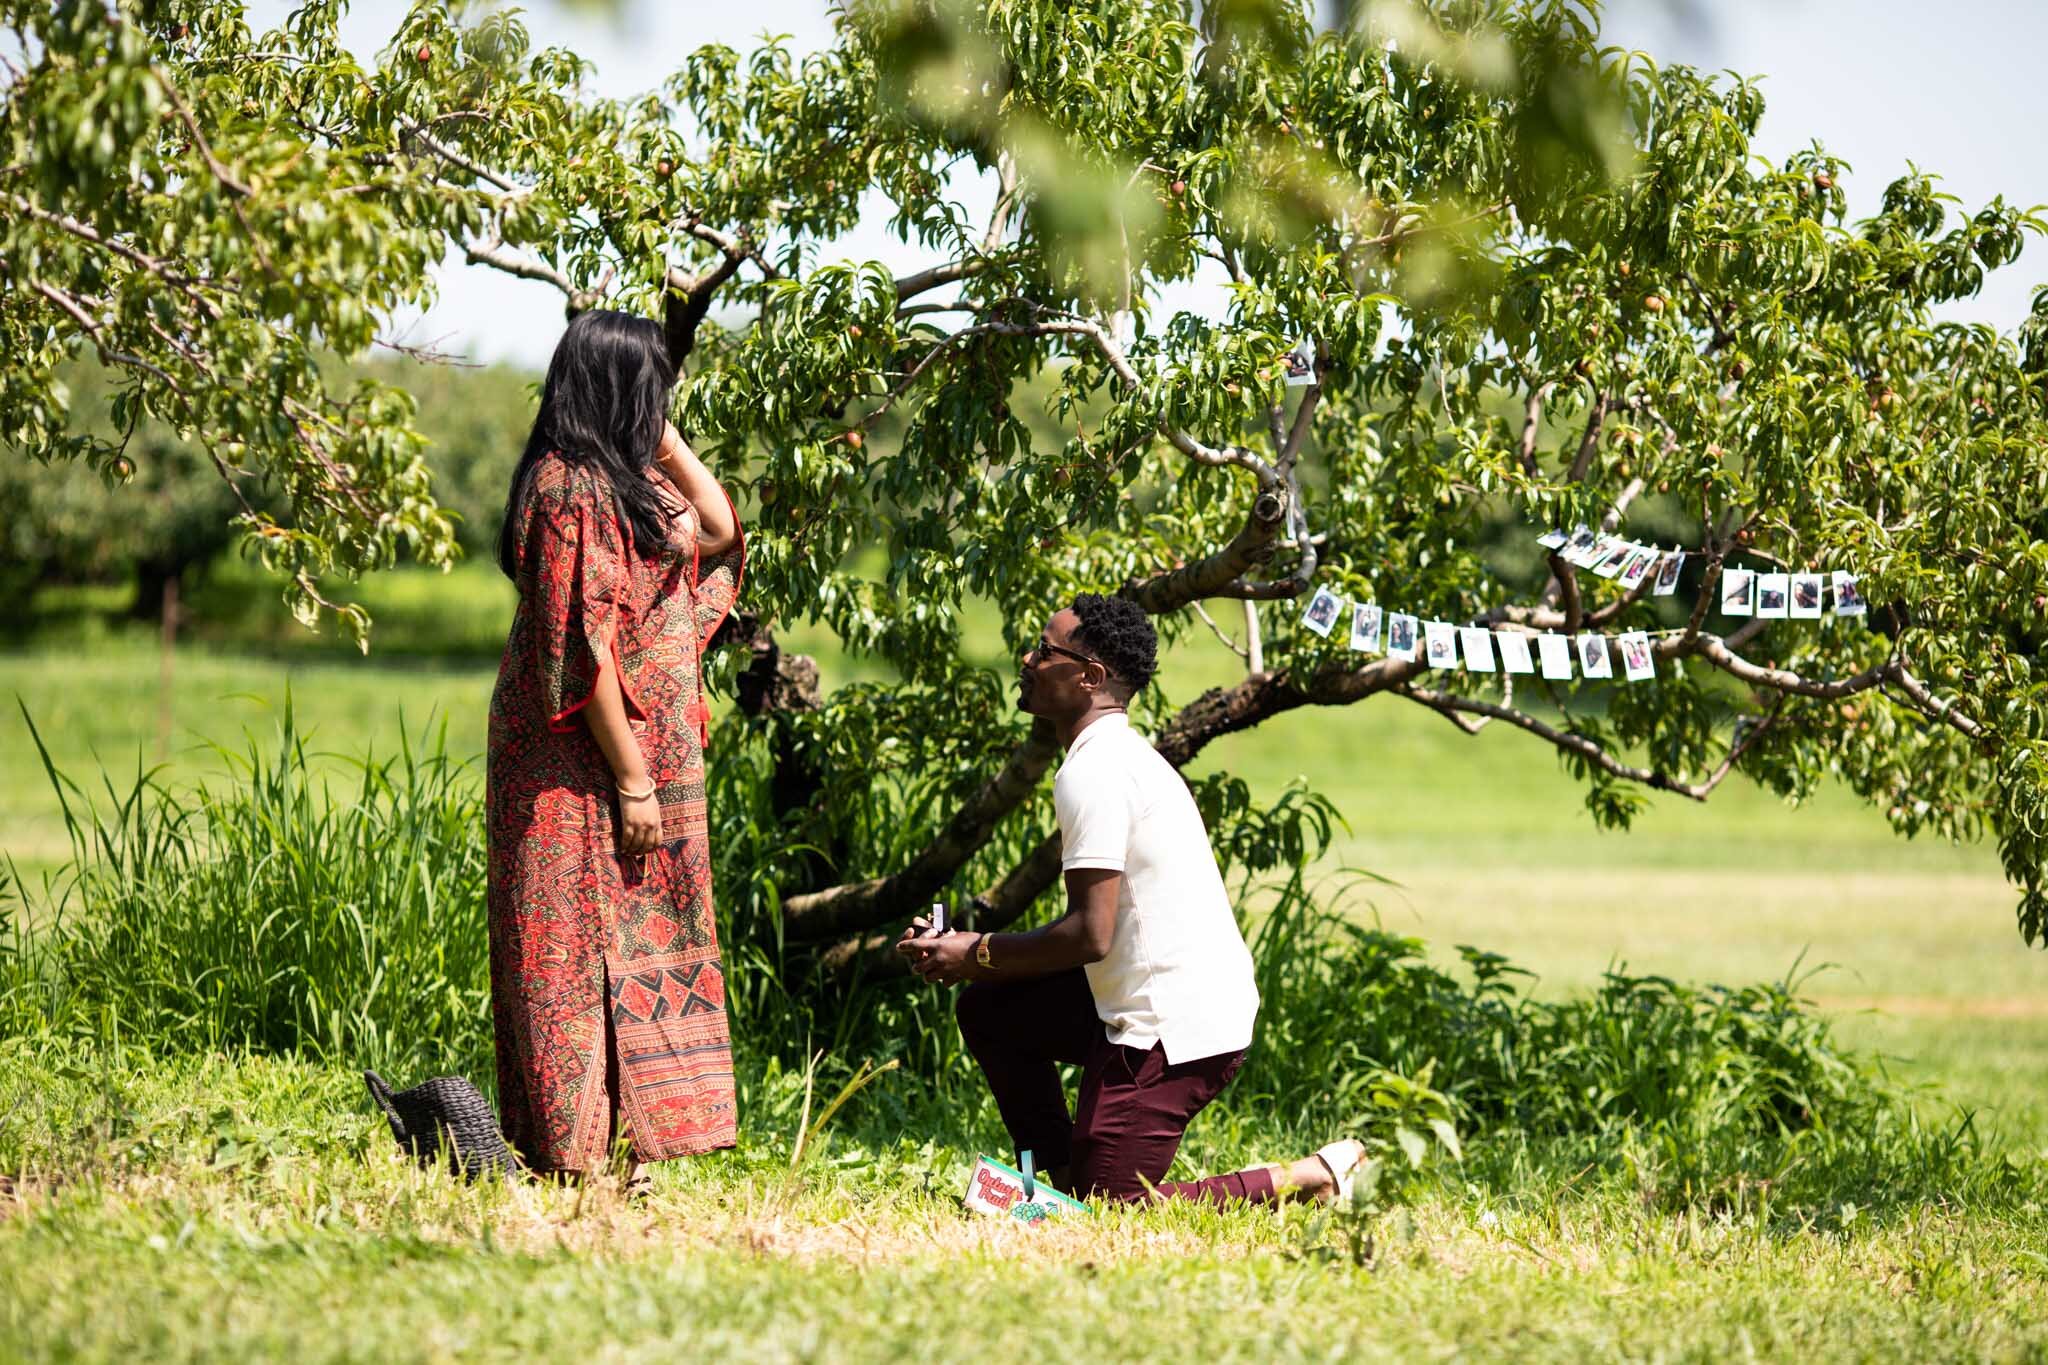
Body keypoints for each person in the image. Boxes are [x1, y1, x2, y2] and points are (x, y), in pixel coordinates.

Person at [898, 594, 1367, 1207]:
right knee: (992, 1012)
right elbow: (1102, 927)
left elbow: (1089, 936)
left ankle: (1310, 1176)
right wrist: (968, 953)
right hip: (1140, 996)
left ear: (1089, 677)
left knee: (1113, 1208)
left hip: (1178, 1023)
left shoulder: (1095, 772)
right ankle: (1057, 1180)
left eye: (1045, 650)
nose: (1028, 658)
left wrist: (975, 952)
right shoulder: (1110, 757)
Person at [487, 310, 744, 1178]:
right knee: (565, 941)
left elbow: (713, 529)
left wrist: (661, 435)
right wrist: (633, 781)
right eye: (651, 388)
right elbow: (580, 646)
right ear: (616, 388)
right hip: (576, 765)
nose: (661, 404)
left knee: (642, 930)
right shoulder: (566, 489)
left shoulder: (624, 478)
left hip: (643, 758)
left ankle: (638, 1140)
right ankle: (573, 1151)